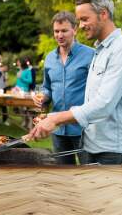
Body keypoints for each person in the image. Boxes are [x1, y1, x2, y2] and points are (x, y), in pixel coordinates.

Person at [29, 0, 122, 165]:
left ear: (103, 14)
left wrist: (55, 118)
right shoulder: (101, 51)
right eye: (79, 20)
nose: (81, 25)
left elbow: (103, 104)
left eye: (84, 19)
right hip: (95, 144)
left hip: (115, 150)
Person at [32, 11, 94, 165]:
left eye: (64, 31)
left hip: (83, 129)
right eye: (56, 31)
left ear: (75, 30)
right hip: (58, 129)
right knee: (63, 174)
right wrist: (44, 96)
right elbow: (46, 87)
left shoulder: (91, 55)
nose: (60, 35)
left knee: (89, 172)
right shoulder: (49, 59)